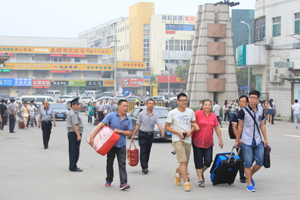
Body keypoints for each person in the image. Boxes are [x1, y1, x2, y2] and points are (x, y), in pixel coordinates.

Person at [90, 99, 132, 190]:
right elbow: (101, 125)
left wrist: (120, 131)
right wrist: (92, 136)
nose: (126, 108)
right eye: (124, 106)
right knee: (110, 162)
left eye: (127, 106)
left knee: (122, 163)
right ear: (119, 107)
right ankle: (109, 179)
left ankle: (123, 183)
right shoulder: (111, 116)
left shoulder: (128, 119)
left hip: (121, 145)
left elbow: (129, 133)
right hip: (110, 145)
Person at [235, 90, 268, 192]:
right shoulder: (243, 111)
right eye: (251, 97)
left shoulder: (261, 110)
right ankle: (249, 184)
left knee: (260, 161)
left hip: (258, 140)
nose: (252, 99)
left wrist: (265, 139)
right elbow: (240, 126)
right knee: (248, 163)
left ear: (258, 100)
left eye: (254, 98)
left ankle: (249, 174)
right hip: (246, 141)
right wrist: (237, 140)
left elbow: (262, 125)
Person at [165, 93, 196, 192]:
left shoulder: (190, 112)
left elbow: (194, 124)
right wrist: (178, 132)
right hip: (177, 139)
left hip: (187, 139)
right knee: (183, 161)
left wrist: (190, 132)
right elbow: (167, 127)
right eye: (182, 100)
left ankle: (178, 174)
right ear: (177, 101)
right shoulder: (172, 113)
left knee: (185, 162)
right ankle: (186, 182)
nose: (184, 102)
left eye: (185, 100)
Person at [193, 99, 223, 187]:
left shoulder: (213, 116)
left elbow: (217, 128)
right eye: (205, 105)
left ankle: (200, 172)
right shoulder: (197, 114)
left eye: (209, 105)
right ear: (202, 106)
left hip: (208, 142)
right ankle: (200, 179)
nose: (207, 106)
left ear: (211, 106)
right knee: (198, 161)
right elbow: (191, 123)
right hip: (197, 141)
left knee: (208, 161)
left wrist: (220, 139)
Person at [131, 99, 165, 174]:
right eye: (149, 103)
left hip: (150, 135)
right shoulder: (141, 114)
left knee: (148, 150)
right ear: (146, 104)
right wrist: (133, 134)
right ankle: (144, 167)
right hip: (142, 134)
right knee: (143, 150)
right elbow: (138, 125)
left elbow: (158, 124)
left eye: (152, 104)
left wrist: (162, 131)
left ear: (154, 105)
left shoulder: (155, 115)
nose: (151, 105)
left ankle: (145, 164)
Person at [231, 95, 249, 183]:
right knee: (241, 159)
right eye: (240, 102)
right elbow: (235, 128)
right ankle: (242, 176)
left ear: (247, 103)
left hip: (250, 140)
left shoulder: (251, 113)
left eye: (243, 102)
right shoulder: (236, 114)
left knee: (250, 158)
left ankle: (247, 172)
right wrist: (238, 139)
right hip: (240, 139)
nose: (241, 103)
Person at [67, 97, 83, 172]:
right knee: (74, 150)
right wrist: (78, 135)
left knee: (73, 149)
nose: (78, 106)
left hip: (72, 133)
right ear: (73, 105)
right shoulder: (73, 113)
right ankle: (73, 166)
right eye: (77, 105)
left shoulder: (72, 112)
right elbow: (75, 125)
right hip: (74, 133)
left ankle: (72, 165)